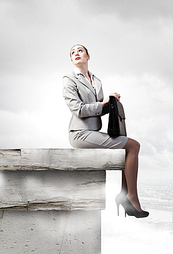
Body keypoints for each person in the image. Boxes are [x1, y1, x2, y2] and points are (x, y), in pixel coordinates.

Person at [62, 44, 148, 218]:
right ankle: (131, 197)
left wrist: (111, 103)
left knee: (129, 148)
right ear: (71, 60)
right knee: (133, 146)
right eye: (72, 52)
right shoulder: (69, 79)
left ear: (88, 56)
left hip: (92, 132)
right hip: (79, 134)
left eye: (80, 50)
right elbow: (78, 109)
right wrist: (103, 104)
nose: (76, 53)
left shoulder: (97, 81)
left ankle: (125, 195)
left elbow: (98, 111)